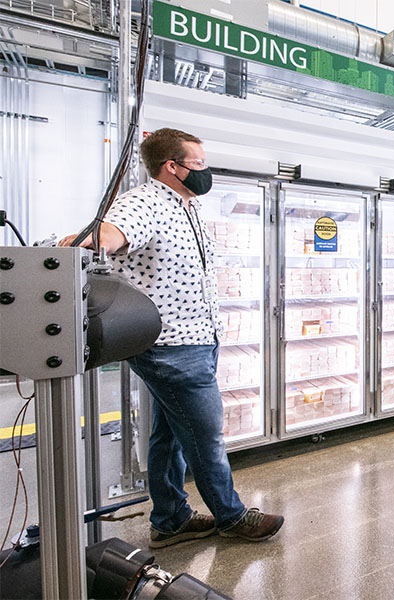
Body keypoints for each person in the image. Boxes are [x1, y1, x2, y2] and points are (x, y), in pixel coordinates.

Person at [61, 128, 284, 547]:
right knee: (205, 433)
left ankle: (170, 518)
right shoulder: (144, 202)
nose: (206, 171)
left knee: (169, 432)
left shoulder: (188, 205)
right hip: (171, 345)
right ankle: (231, 515)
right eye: (199, 163)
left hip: (197, 337)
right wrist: (85, 242)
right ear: (172, 167)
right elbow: (113, 232)